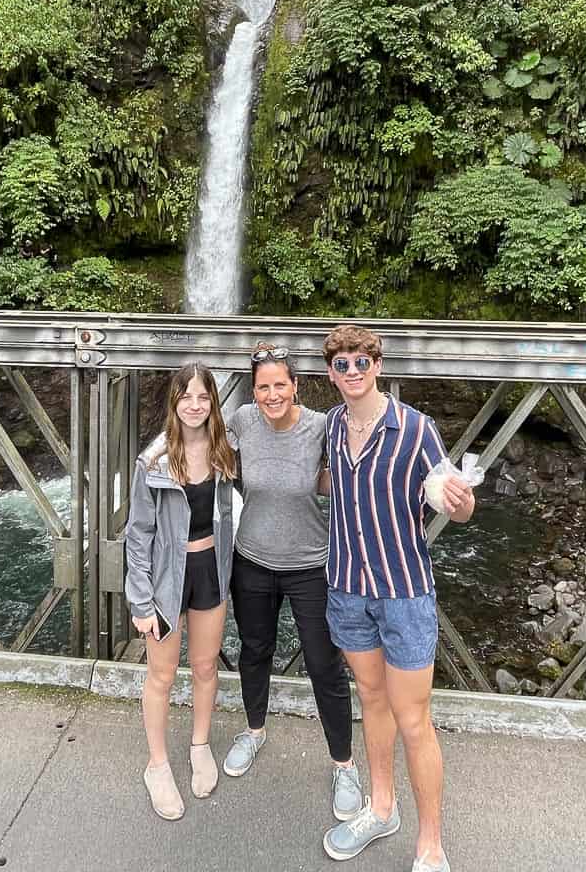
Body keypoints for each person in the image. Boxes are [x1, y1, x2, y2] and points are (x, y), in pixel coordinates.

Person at [320, 325, 475, 872]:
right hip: (346, 587)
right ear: (331, 374)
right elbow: (320, 483)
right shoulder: (334, 429)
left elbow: (454, 504)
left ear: (377, 365)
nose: (353, 372)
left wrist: (460, 501)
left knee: (415, 719)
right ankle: (381, 808)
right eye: (342, 364)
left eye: (362, 361)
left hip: (404, 592)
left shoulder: (417, 429)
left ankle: (431, 843)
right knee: (372, 699)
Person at [223, 341, 362, 822]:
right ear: (254, 390)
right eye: (264, 386)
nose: (272, 394)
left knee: (325, 664)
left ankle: (344, 764)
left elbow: (355, 458)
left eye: (280, 385)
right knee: (254, 649)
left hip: (310, 565)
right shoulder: (241, 420)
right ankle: (254, 730)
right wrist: (158, 459)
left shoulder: (321, 426)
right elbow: (200, 442)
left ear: (296, 386)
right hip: (252, 560)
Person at [125, 362, 237, 821]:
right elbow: (137, 535)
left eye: (203, 397)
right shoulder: (152, 463)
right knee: (162, 675)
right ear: (174, 403)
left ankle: (200, 745)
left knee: (207, 665)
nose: (195, 405)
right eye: (186, 397)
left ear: (213, 403)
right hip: (167, 577)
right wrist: (141, 600)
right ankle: (157, 765)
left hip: (212, 568)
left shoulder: (225, 453)